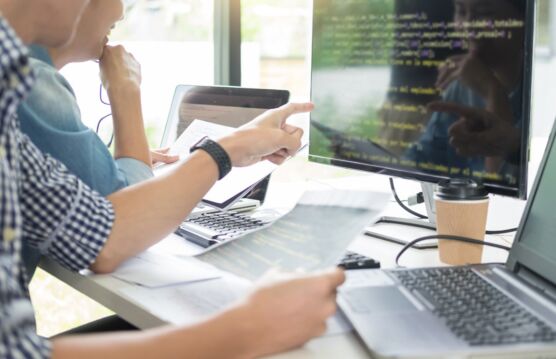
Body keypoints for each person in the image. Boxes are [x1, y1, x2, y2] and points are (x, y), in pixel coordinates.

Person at [0, 0, 345, 358]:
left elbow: (104, 235)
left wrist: (228, 148)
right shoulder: (30, 87)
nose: (120, 10)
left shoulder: (9, 112)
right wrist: (242, 332)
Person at [18, 0, 177, 283]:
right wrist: (126, 89)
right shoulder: (31, 81)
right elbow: (124, 222)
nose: (121, 11)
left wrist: (119, 164)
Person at [406, 0, 525, 184]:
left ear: (525, 21)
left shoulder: (541, 101)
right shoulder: (462, 85)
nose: (468, 26)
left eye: (484, 12)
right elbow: (422, 160)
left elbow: (501, 190)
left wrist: (492, 92)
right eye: (461, 11)